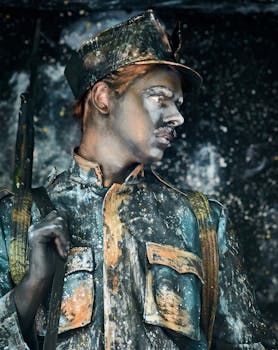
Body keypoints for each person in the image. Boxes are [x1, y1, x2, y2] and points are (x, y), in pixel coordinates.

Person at [0, 9, 276, 350]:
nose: (177, 117)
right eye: (160, 98)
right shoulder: (16, 220)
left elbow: (250, 344)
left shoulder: (202, 221)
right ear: (103, 98)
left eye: (178, 104)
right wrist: (33, 284)